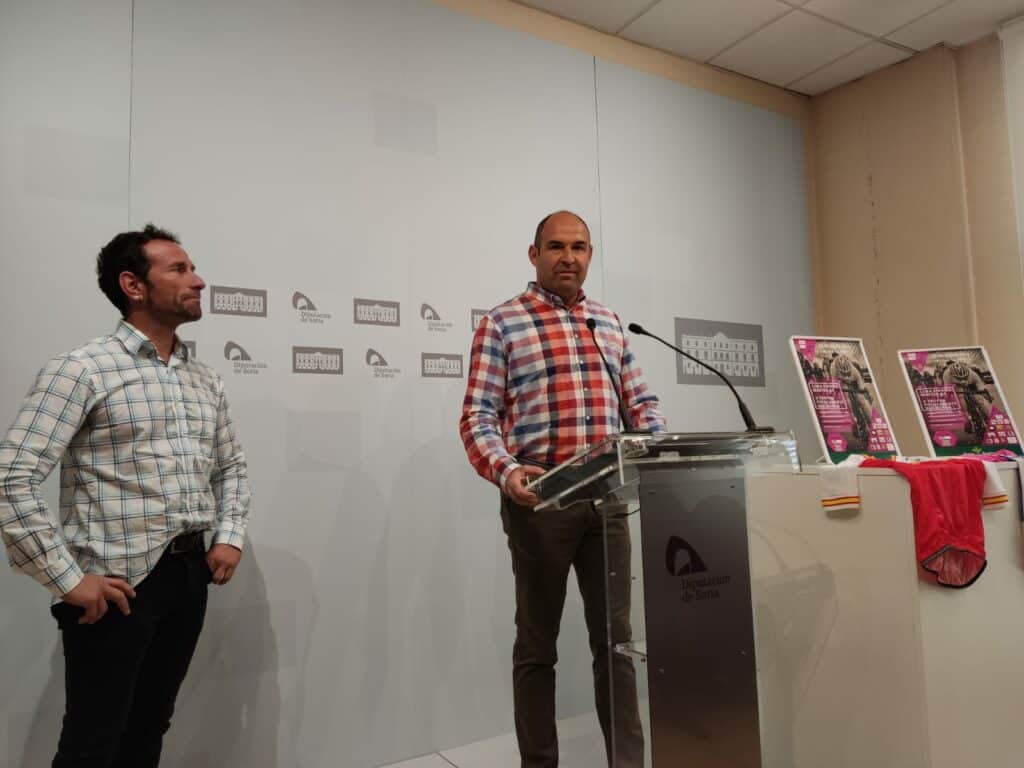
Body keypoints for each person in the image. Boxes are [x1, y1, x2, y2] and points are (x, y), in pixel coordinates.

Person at [0, 224, 252, 767]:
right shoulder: (81, 370)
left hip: (189, 576)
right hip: (116, 585)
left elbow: (230, 466)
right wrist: (67, 578)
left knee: (149, 727)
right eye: (179, 269)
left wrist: (228, 536)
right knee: (92, 742)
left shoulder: (204, 379)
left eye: (193, 268)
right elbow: (11, 477)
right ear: (133, 285)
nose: (198, 280)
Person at [459, 211, 666, 768]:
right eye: (556, 246)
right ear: (534, 255)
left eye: (579, 247)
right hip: (541, 501)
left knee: (616, 645)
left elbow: (642, 405)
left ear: (590, 255)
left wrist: (655, 446)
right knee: (537, 648)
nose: (568, 257)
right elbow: (478, 417)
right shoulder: (502, 324)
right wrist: (506, 470)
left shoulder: (608, 322)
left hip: (609, 501)